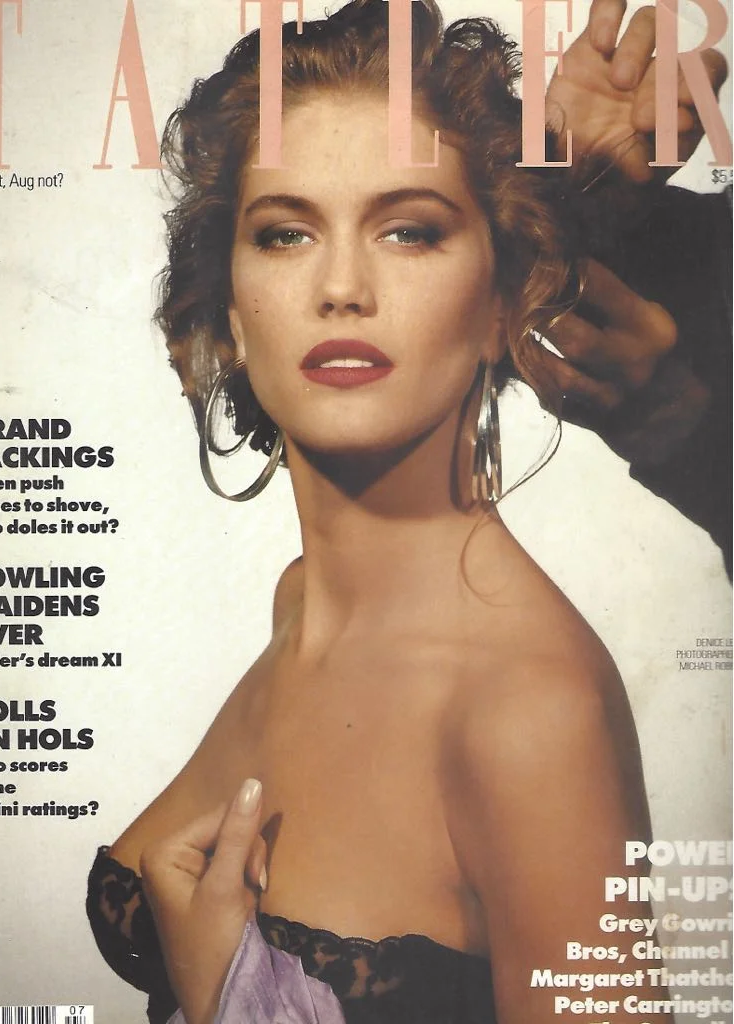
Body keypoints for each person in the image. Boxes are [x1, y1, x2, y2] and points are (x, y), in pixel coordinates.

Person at [86, 0, 728, 1021]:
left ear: (503, 306)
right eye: (286, 233)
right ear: (232, 315)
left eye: (410, 231)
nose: (343, 286)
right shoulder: (303, 600)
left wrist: (235, 996)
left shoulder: (528, 709)